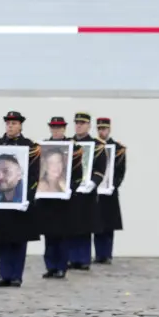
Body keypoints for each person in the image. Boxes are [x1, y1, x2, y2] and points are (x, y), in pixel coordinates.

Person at [0, 111, 41, 287]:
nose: (11, 126)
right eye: (8, 123)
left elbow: (35, 175)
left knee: (18, 240)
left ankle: (16, 275)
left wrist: (28, 198)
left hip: (20, 202)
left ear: (20, 126)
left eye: (14, 123)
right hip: (0, 202)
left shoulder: (30, 147)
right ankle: (4, 274)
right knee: (1, 240)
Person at [31, 117, 76, 279]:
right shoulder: (42, 147)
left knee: (62, 236)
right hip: (46, 199)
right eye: (54, 128)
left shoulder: (72, 147)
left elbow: (78, 173)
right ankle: (50, 266)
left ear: (64, 129)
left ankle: (61, 267)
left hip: (63, 201)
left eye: (59, 128)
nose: (56, 130)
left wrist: (72, 189)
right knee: (49, 236)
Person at [65, 112, 106, 271]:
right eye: (77, 123)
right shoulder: (67, 143)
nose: (79, 126)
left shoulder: (97, 145)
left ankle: (83, 259)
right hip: (70, 192)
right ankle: (70, 257)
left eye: (82, 123)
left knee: (84, 227)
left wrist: (93, 183)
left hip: (87, 193)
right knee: (70, 226)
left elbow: (100, 169)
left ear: (89, 125)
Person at [93, 116, 127, 264]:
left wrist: (114, 185)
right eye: (99, 129)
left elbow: (121, 170)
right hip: (96, 191)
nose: (102, 132)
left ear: (109, 129)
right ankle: (99, 254)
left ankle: (106, 254)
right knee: (96, 223)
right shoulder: (94, 146)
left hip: (110, 191)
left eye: (104, 129)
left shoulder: (118, 148)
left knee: (109, 224)